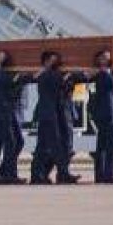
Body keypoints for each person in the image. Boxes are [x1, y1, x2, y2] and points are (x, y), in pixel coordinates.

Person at [30, 51, 79, 185]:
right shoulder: (47, 75)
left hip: (47, 114)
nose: (56, 62)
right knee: (55, 145)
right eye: (53, 60)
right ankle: (62, 174)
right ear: (46, 61)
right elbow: (61, 83)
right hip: (49, 114)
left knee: (43, 146)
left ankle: (38, 175)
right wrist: (70, 74)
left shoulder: (44, 74)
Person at [0, 50, 27, 184]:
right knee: (11, 142)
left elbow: (12, 86)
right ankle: (9, 174)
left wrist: (21, 78)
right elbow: (8, 84)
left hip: (9, 111)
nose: (3, 58)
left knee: (5, 143)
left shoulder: (3, 72)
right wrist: (19, 77)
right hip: (2, 111)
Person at [90, 49, 113, 184]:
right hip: (106, 113)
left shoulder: (105, 74)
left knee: (103, 144)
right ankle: (110, 173)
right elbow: (111, 86)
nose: (108, 59)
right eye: (105, 57)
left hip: (107, 112)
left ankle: (101, 174)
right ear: (99, 60)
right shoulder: (101, 74)